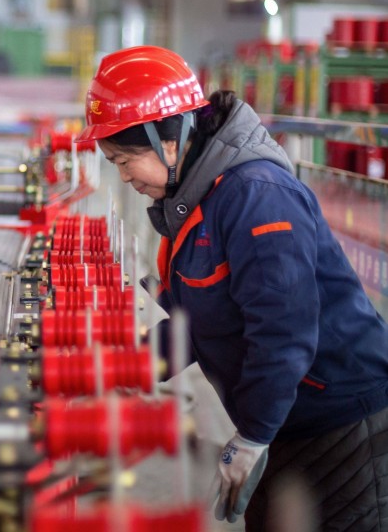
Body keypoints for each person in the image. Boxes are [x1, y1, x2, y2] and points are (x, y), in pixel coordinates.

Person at [76, 45, 388, 530]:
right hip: (284, 416)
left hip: (341, 422)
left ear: (169, 139)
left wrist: (253, 436)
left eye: (124, 160)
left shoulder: (256, 197)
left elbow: (283, 331)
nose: (124, 177)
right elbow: (198, 324)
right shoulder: (198, 201)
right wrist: (124, 365)